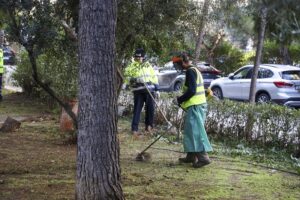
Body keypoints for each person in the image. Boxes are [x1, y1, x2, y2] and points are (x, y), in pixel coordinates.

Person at [172, 52, 213, 168]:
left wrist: (180, 99)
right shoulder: (194, 70)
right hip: (196, 105)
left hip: (196, 106)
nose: (177, 67)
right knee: (190, 131)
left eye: (178, 64)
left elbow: (192, 91)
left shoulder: (190, 71)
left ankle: (204, 158)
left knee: (195, 132)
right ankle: (191, 157)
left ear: (182, 62)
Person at [124, 48, 159, 137]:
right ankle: (134, 129)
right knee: (137, 110)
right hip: (138, 91)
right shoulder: (132, 66)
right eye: (136, 57)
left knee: (150, 109)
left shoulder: (148, 66)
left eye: (140, 57)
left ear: (144, 57)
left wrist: (157, 89)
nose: (138, 59)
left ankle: (149, 127)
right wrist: (135, 79)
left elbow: (154, 77)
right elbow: (127, 78)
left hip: (149, 90)